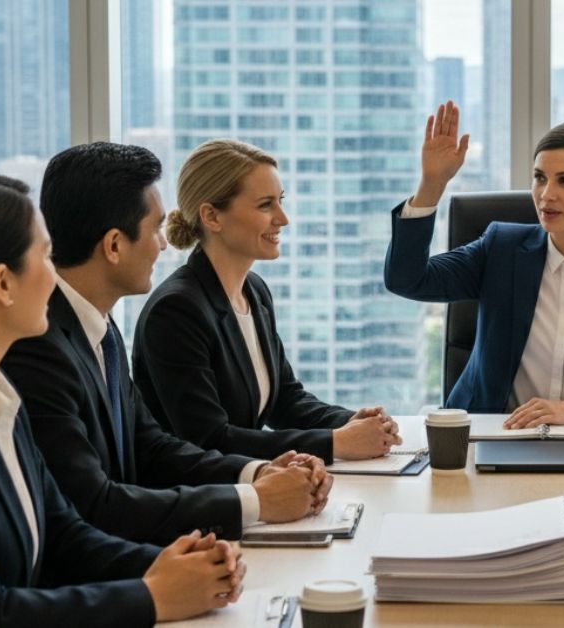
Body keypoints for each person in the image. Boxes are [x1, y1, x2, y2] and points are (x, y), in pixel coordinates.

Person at [0, 170, 244, 625]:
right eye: (45, 255)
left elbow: (64, 535)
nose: (56, 272)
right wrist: (153, 597)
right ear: (3, 284)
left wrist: (169, 567)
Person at [1, 143, 329, 545]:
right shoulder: (40, 350)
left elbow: (151, 447)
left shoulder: (100, 329)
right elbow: (94, 504)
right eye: (155, 228)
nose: (163, 243)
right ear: (115, 245)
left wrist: (255, 473)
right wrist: (254, 501)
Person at [384, 101, 564, 426]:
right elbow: (407, 279)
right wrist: (432, 185)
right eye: (540, 178)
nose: (546, 195)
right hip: (491, 429)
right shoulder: (501, 249)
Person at [132, 139, 401, 462]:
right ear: (212, 217)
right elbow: (209, 439)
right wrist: (335, 442)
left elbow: (285, 400)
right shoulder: (176, 311)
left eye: (280, 201)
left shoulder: (254, 291)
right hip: (203, 498)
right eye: (265, 205)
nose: (283, 218)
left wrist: (351, 422)